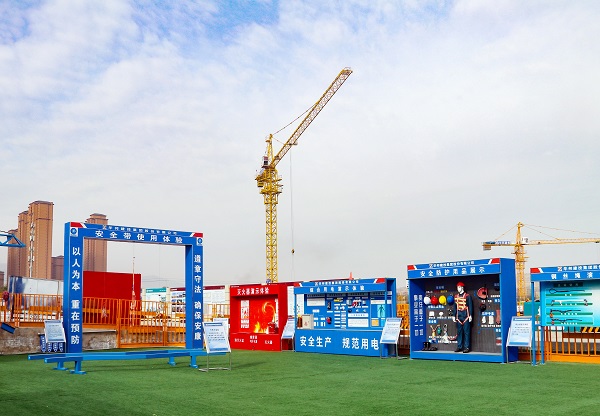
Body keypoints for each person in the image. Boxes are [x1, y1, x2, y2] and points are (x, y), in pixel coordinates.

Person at [452, 282, 473, 353]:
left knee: (467, 333)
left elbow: (470, 306)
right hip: (459, 317)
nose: (458, 289)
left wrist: (470, 315)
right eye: (457, 287)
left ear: (462, 287)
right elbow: (455, 307)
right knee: (459, 332)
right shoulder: (456, 296)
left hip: (466, 316)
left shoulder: (467, 296)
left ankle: (467, 347)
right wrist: (454, 315)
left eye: (459, 287)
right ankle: (459, 346)